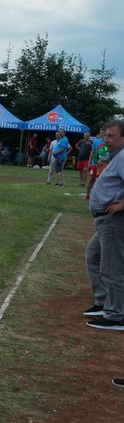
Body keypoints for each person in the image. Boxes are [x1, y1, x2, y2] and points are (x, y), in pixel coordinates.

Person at [83, 120, 124, 330]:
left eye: (111, 135)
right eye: (105, 135)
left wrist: (122, 204)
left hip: (112, 220)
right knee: (93, 255)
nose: (106, 139)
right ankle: (104, 301)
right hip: (104, 220)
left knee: (112, 267)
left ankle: (117, 315)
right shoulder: (115, 156)